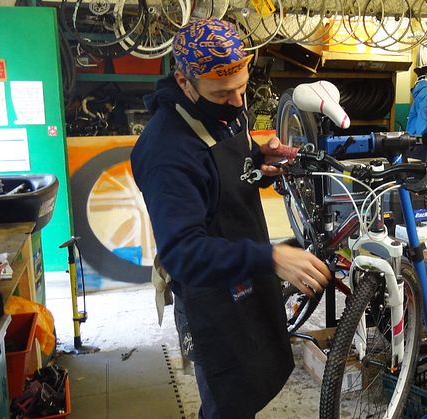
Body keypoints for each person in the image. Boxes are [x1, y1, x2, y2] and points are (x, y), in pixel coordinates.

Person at [130, 17, 331, 419]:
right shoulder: (165, 153)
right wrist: (272, 257)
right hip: (210, 296)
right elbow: (183, 253)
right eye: (224, 94)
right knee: (227, 403)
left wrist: (257, 160)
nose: (239, 102)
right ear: (185, 83)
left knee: (255, 381)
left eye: (242, 87)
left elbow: (223, 164)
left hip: (246, 273)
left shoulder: (223, 112)